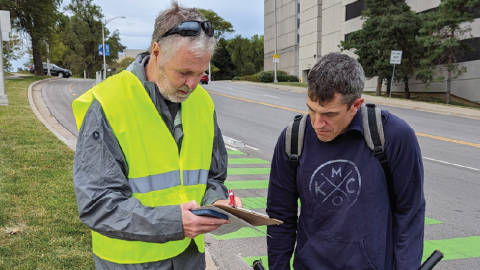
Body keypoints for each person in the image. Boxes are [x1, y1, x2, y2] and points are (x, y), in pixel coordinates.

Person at [71, 2, 242, 269]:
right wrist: (174, 222)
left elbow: (213, 175)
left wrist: (216, 202)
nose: (193, 85)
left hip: (189, 258)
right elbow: (97, 203)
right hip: (129, 262)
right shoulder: (109, 103)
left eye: (201, 74)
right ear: (157, 51)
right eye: (184, 72)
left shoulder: (203, 104)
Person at [266, 53, 425, 270]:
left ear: (355, 105)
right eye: (311, 110)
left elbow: (410, 212)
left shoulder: (394, 136)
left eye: (329, 114)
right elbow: (279, 215)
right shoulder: (293, 139)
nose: (317, 123)